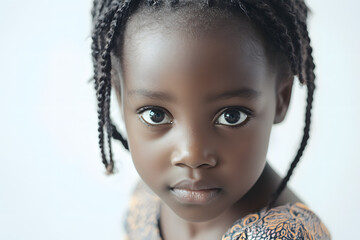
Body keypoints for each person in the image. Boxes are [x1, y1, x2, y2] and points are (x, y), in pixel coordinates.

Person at [90, 0, 331, 239]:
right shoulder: (147, 201)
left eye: (231, 116)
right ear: (119, 98)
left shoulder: (286, 235)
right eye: (156, 115)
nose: (192, 156)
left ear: (281, 98)